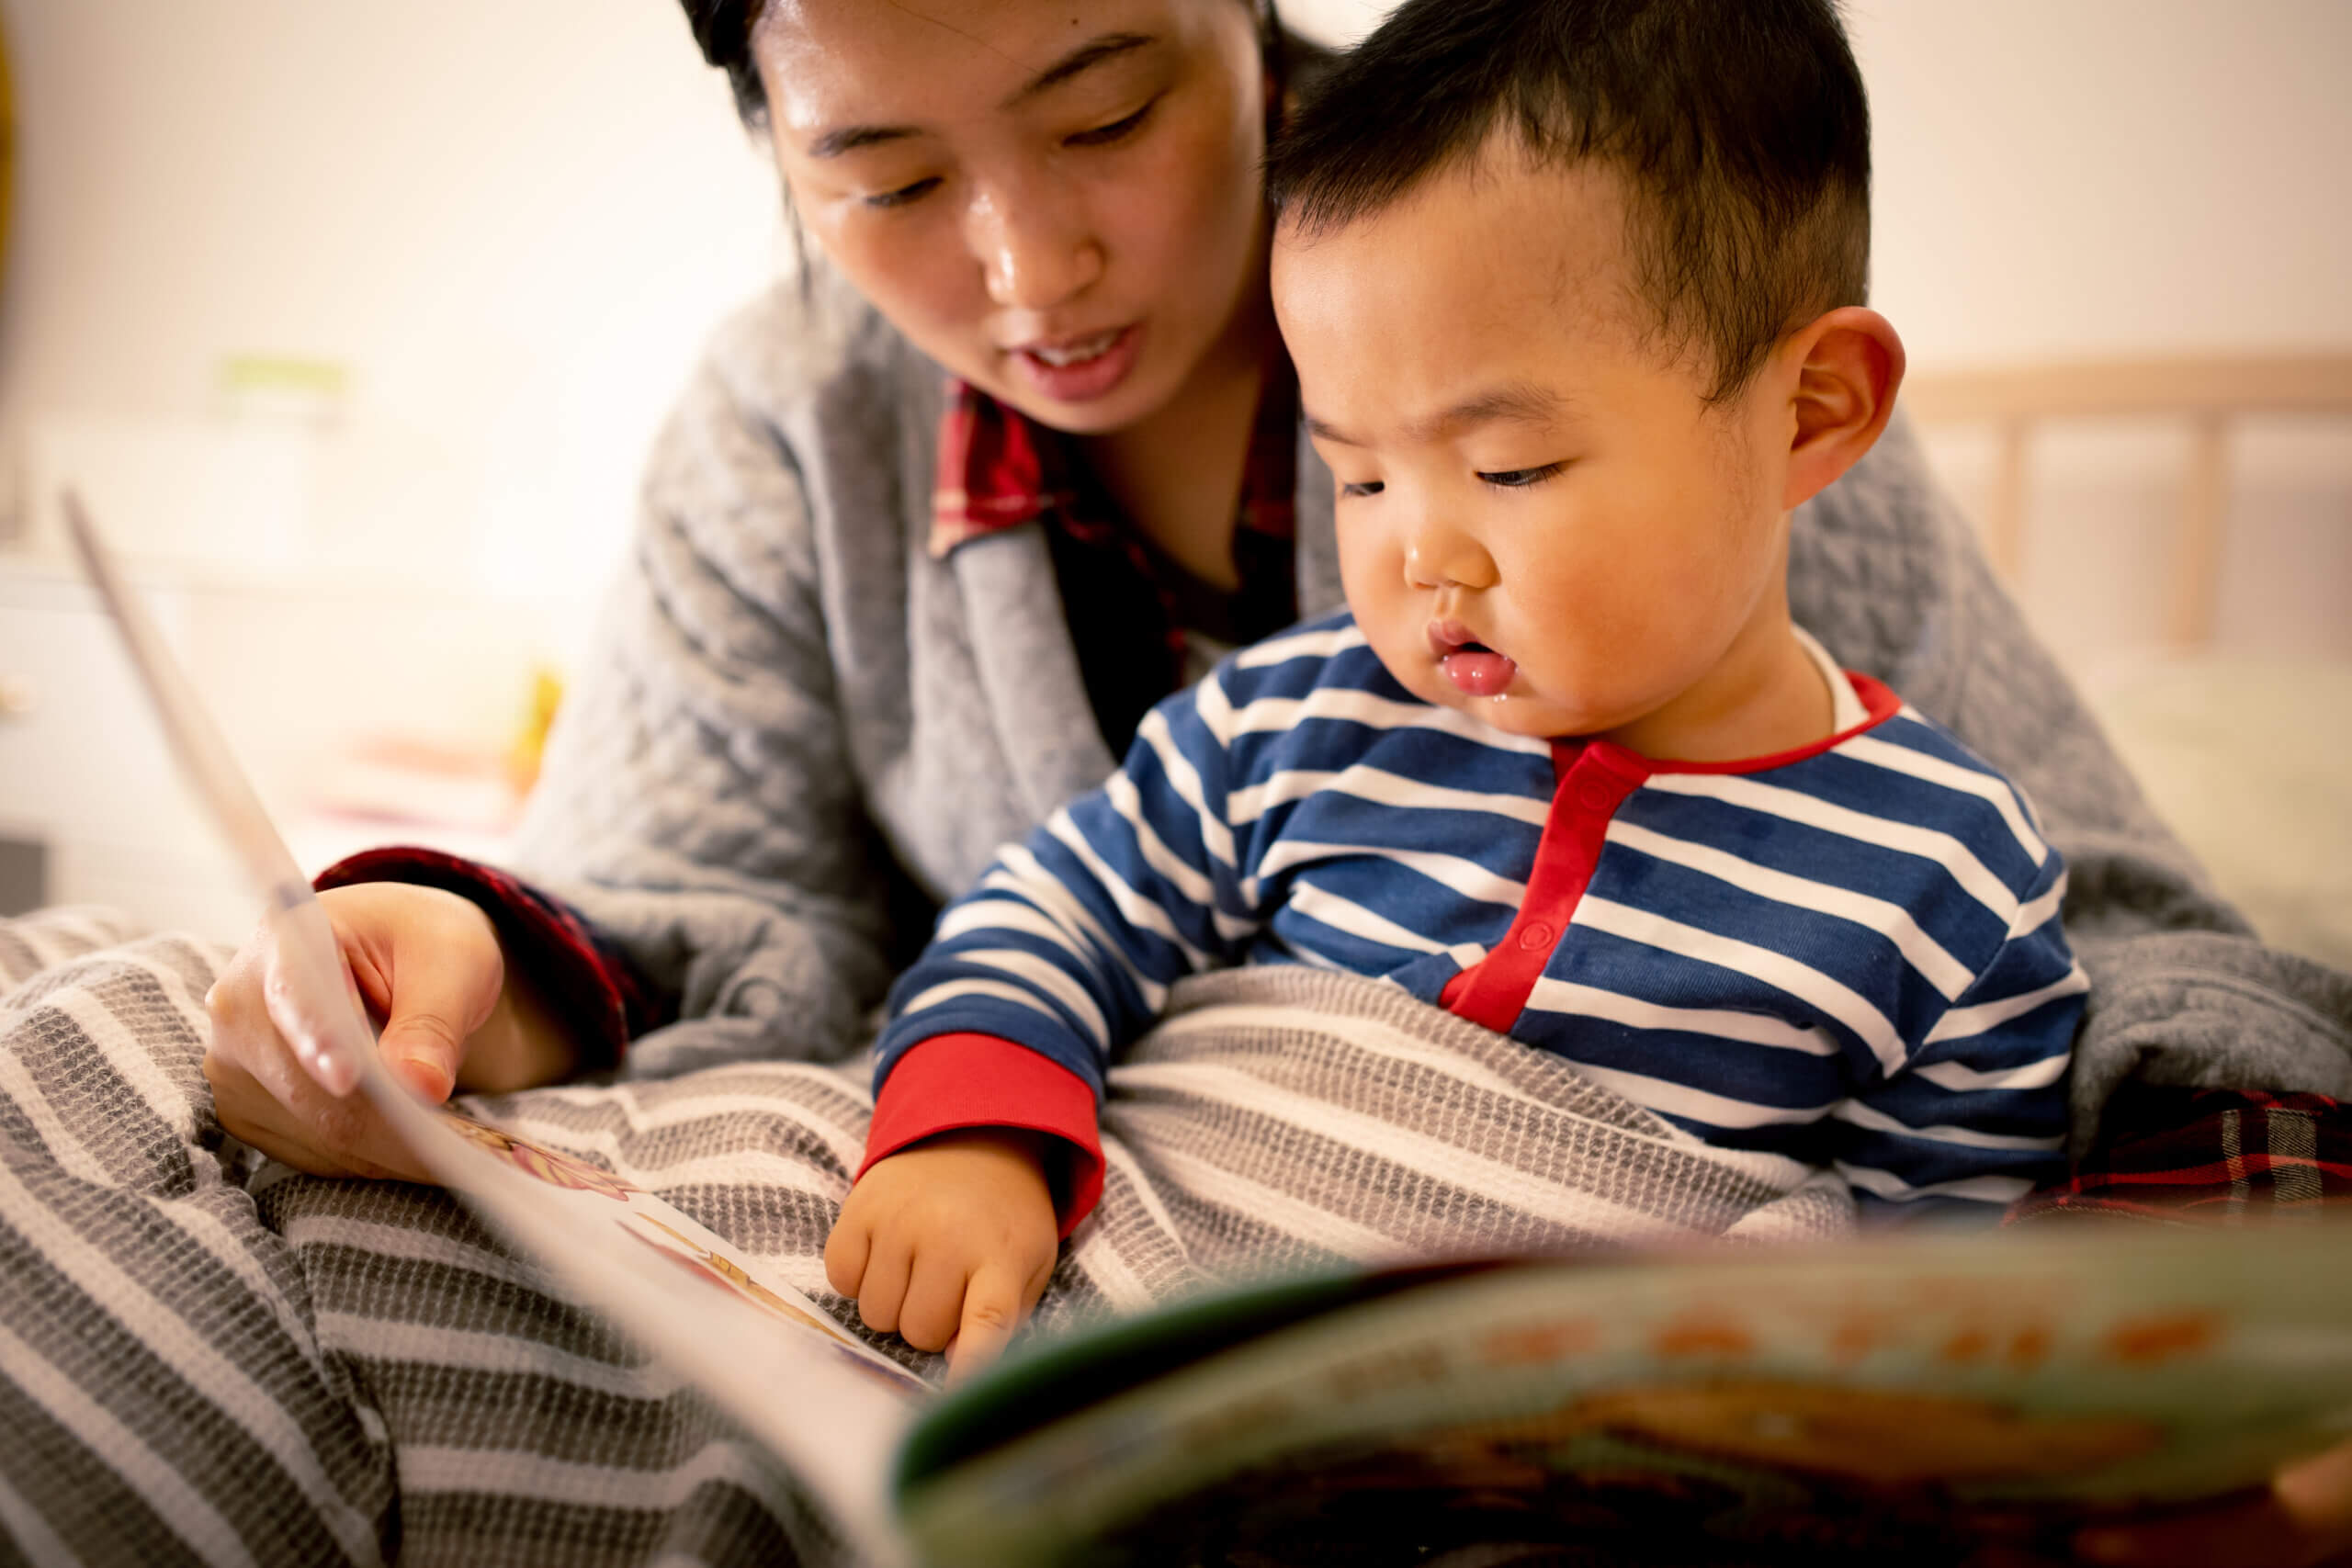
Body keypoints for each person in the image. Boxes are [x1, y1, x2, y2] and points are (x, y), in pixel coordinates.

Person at [191, 0, 2352, 1562]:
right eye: (884, 176)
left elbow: (2054, 1072)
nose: (1028, 270)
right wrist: (469, 956)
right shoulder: (886, 479)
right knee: (130, 1060)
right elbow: (742, 899)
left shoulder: (1634, 284)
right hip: (1033, 1238)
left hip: (1538, 1388)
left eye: (1105, 106)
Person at [826, 0, 2087, 1368]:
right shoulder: (1289, 723)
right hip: (1132, 1330)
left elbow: (1934, 1303)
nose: (1419, 552)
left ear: (1811, 410)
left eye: (1511, 470)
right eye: (1357, 473)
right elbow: (1053, 910)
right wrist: (976, 1136)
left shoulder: (1946, 876)